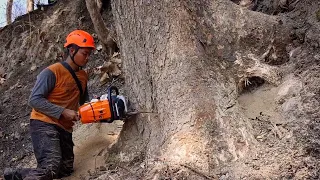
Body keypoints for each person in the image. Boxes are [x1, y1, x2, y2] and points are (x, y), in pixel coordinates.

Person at [3, 30, 95, 180]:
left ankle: (15, 175)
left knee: (65, 171)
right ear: (72, 50)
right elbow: (34, 100)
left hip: (65, 128)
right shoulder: (52, 72)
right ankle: (14, 176)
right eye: (84, 54)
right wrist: (63, 111)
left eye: (89, 54)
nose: (87, 58)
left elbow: (84, 102)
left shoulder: (83, 76)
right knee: (50, 169)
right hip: (44, 123)